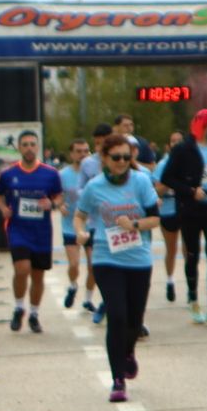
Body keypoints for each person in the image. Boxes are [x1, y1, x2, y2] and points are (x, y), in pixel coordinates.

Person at [74, 135, 159, 403]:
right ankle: (118, 380)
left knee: (134, 320)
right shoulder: (94, 187)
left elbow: (156, 218)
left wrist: (134, 225)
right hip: (105, 257)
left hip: (138, 259)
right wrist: (79, 232)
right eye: (116, 157)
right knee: (117, 315)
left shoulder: (142, 182)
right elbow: (80, 214)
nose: (122, 162)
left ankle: (128, 351)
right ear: (104, 159)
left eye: (126, 157)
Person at [0, 130, 63, 334]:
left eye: (32, 144)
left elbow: (59, 197)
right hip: (18, 229)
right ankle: (18, 307)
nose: (29, 148)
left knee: (38, 276)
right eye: (25, 144)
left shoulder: (50, 173)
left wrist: (52, 203)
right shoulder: (8, 174)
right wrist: (3, 209)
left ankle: (34, 313)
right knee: (22, 269)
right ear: (19, 148)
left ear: (37, 147)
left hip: (41, 232)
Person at [165, 108, 207, 325]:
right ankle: (193, 298)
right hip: (191, 209)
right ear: (206, 126)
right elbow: (168, 177)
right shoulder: (183, 149)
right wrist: (191, 190)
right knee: (192, 254)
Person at [78, 122, 113, 319]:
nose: (100, 147)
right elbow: (80, 189)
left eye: (104, 143)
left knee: (118, 268)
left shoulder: (121, 160)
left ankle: (108, 302)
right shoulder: (88, 164)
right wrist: (94, 194)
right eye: (97, 143)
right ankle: (106, 300)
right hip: (94, 224)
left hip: (119, 226)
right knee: (95, 266)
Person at [151, 131, 184, 303]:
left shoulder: (190, 162)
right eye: (173, 141)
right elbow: (157, 190)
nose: (177, 144)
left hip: (186, 209)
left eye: (179, 141)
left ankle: (190, 284)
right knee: (171, 248)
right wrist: (171, 182)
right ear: (169, 145)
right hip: (168, 210)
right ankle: (170, 280)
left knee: (189, 249)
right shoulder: (164, 164)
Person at [58, 139, 90, 309]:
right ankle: (72, 285)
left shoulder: (95, 173)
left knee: (93, 267)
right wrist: (60, 204)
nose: (82, 154)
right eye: (78, 151)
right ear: (71, 154)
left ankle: (88, 299)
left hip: (90, 225)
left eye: (85, 151)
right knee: (74, 264)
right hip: (70, 225)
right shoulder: (63, 175)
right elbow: (57, 195)